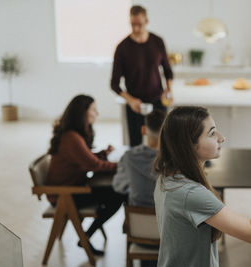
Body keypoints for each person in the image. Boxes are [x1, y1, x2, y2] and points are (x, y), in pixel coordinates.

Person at [153, 106, 251, 267]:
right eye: (212, 133)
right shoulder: (190, 193)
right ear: (190, 145)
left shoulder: (166, 177)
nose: (221, 138)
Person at [46, 95, 125, 256]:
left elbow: (85, 158)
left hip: (71, 188)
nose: (97, 113)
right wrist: (123, 164)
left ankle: (86, 236)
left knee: (114, 192)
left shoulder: (72, 134)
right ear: (83, 113)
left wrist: (103, 153)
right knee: (118, 195)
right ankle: (86, 237)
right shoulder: (72, 138)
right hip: (65, 195)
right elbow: (94, 165)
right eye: (94, 110)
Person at [110, 5, 173, 147]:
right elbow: (114, 84)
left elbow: (168, 71)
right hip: (135, 104)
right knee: (135, 144)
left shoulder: (158, 42)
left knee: (163, 142)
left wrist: (169, 90)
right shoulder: (122, 48)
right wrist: (131, 101)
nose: (136, 28)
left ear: (147, 21)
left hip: (158, 101)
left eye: (140, 24)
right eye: (133, 25)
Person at [112, 109, 166, 206]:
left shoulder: (128, 157)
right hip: (167, 219)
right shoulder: (175, 159)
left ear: (143, 130)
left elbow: (118, 186)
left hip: (137, 217)